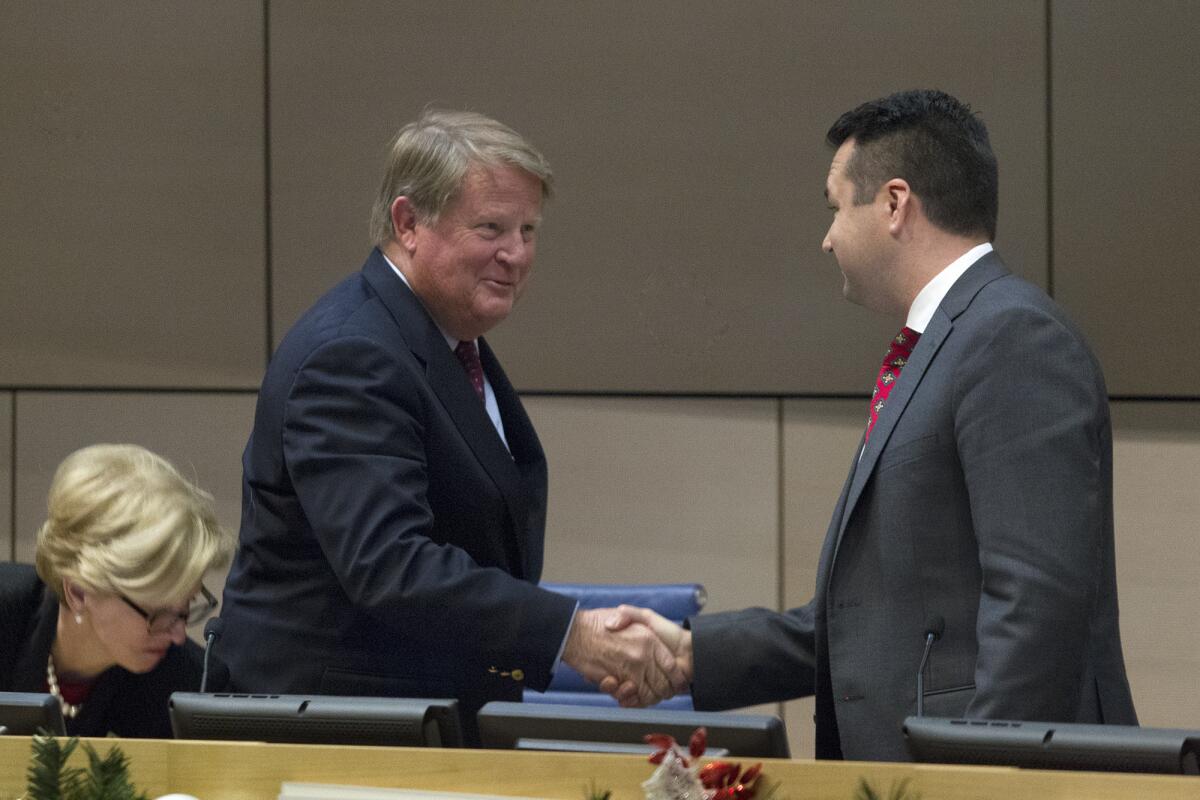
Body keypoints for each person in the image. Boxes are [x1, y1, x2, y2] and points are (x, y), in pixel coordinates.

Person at [605, 89, 1137, 761]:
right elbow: (881, 620)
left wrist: (971, 782)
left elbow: (1037, 604)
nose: (826, 238)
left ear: (893, 203)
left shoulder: (1012, 337)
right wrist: (692, 654)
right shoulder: (953, 343)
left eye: (834, 208)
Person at [215, 110, 684, 742]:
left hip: (420, 726)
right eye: (491, 227)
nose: (515, 254)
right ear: (408, 223)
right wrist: (570, 635)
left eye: (528, 230)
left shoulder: (444, 340)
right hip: (337, 739)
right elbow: (392, 566)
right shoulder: (352, 354)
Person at [0, 444, 232, 738]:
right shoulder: (7, 613)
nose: (177, 635)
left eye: (187, 605)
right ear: (79, 592)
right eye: (158, 614)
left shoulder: (190, 687)